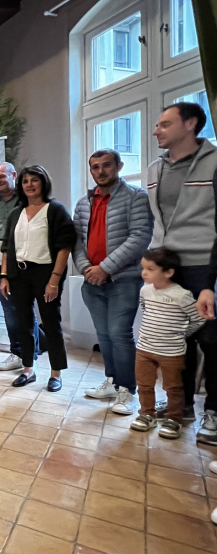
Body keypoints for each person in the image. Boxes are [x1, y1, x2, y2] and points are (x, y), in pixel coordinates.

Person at [148, 103, 217, 439]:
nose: (156, 130)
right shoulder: (154, 169)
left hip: (205, 263)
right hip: (167, 267)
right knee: (177, 341)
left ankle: (213, 412)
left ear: (190, 124)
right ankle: (183, 405)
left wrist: (210, 282)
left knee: (212, 342)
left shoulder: (214, 162)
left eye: (165, 124)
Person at [73, 149, 152, 414]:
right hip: (91, 281)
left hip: (123, 280)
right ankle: (112, 381)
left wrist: (105, 268)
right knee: (104, 334)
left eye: (106, 165)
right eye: (95, 167)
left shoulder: (137, 197)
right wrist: (86, 268)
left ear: (119, 166)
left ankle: (127, 390)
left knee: (119, 334)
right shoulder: (83, 203)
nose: (101, 171)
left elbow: (140, 237)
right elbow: (77, 241)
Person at [0, 166, 76, 392]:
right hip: (18, 274)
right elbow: (6, 248)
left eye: (34, 180)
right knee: (24, 324)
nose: (29, 185)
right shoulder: (16, 213)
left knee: (51, 323)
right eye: (25, 181)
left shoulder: (55, 210)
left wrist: (54, 280)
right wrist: (4, 276)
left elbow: (65, 247)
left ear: (43, 182)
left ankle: (56, 373)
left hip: (46, 274)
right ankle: (28, 370)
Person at [130, 248, 203, 440]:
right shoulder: (145, 290)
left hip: (171, 352)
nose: (144, 273)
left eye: (150, 269)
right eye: (143, 268)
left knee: (173, 388)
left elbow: (198, 319)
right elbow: (145, 310)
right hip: (144, 349)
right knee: (144, 384)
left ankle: (174, 419)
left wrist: (181, 334)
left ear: (168, 272)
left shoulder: (182, 295)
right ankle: (147, 415)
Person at [0, 162, 44, 371]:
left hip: (26, 264)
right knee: (9, 311)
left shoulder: (27, 199)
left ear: (13, 175)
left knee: (26, 310)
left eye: (1, 176)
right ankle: (17, 352)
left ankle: (30, 354)